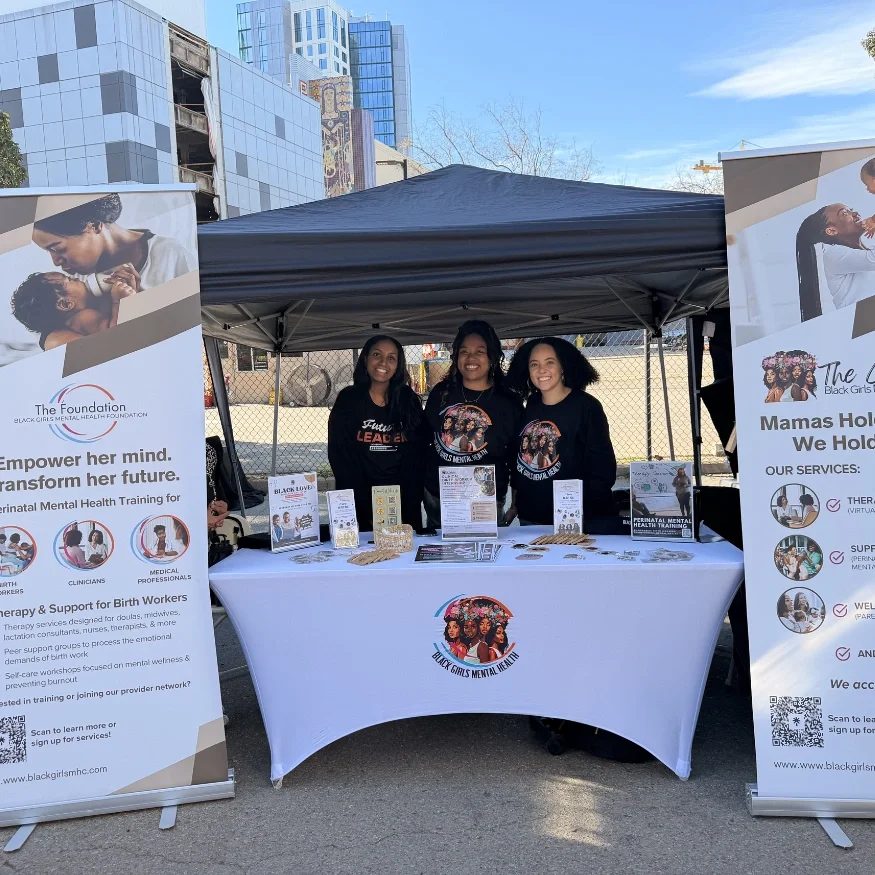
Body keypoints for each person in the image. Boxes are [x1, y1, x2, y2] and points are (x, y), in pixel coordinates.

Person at [506, 336, 617, 526]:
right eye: (534, 364)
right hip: (531, 518)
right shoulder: (531, 405)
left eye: (550, 362)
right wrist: (516, 505)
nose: (541, 370)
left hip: (573, 521)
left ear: (563, 366)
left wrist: (583, 517)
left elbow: (602, 470)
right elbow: (521, 461)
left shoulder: (586, 407)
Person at [422, 321, 523, 529]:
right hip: (440, 499)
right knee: (441, 559)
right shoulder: (441, 393)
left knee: (485, 558)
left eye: (480, 351)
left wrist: (516, 502)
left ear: (492, 356)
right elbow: (422, 442)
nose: (471, 358)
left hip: (485, 500)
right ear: (456, 356)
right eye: (464, 351)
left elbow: (516, 456)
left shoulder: (507, 401)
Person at [328, 335, 424, 532]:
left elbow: (418, 453)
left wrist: (405, 498)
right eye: (377, 355)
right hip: (359, 498)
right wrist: (362, 501)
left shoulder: (409, 400)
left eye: (391, 358)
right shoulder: (348, 399)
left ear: (398, 365)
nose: (383, 363)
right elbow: (339, 454)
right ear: (365, 359)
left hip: (402, 499)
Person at [31, 193, 196, 293]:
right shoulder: (76, 282)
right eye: (48, 251)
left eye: (58, 249)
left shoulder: (170, 255)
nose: (55, 261)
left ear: (95, 226)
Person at [11, 270, 136, 351]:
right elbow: (115, 334)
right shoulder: (84, 317)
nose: (76, 278)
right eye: (69, 280)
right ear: (65, 304)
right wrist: (119, 301)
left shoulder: (71, 324)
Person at [797, 204, 875, 321]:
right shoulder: (834, 254)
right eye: (845, 213)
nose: (855, 213)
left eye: (851, 210)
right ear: (832, 230)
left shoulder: (864, 253)